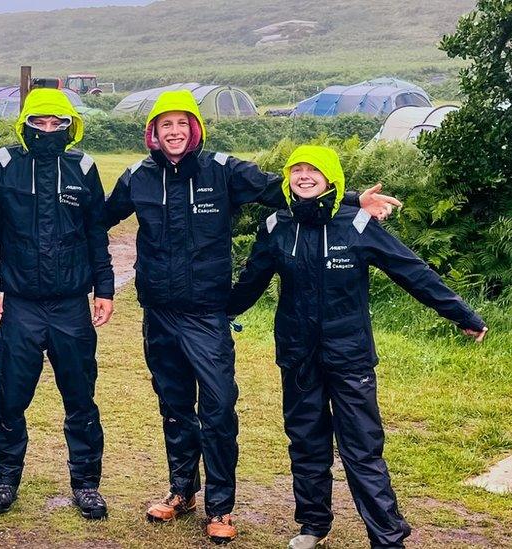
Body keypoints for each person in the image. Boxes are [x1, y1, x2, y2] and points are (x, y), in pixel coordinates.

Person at [102, 90, 402, 544]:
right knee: (175, 407)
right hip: (159, 313)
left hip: (208, 314)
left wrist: (353, 200)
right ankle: (182, 490)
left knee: (219, 408)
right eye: (166, 126)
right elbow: (98, 220)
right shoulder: (137, 177)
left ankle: (220, 508)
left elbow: (287, 189)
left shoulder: (223, 171)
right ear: (154, 133)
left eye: (183, 124)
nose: (175, 132)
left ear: (196, 128)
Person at [228, 145, 488, 549]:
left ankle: (387, 537)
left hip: (348, 356)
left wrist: (462, 315)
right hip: (298, 356)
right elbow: (250, 282)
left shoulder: (358, 224)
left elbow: (411, 271)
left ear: (331, 178)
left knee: (362, 448)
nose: (304, 175)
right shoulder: (276, 225)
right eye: (296, 169)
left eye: (314, 169)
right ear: (288, 178)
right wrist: (212, 312)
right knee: (306, 443)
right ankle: (314, 524)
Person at [0, 87, 114, 520]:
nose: (49, 129)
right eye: (40, 122)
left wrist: (104, 289)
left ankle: (86, 484)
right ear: (26, 125)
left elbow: (97, 234)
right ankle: (5, 479)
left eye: (57, 123)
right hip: (20, 304)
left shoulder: (84, 167)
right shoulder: (4, 166)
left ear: (70, 126)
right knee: (10, 396)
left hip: (71, 304)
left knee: (80, 397)